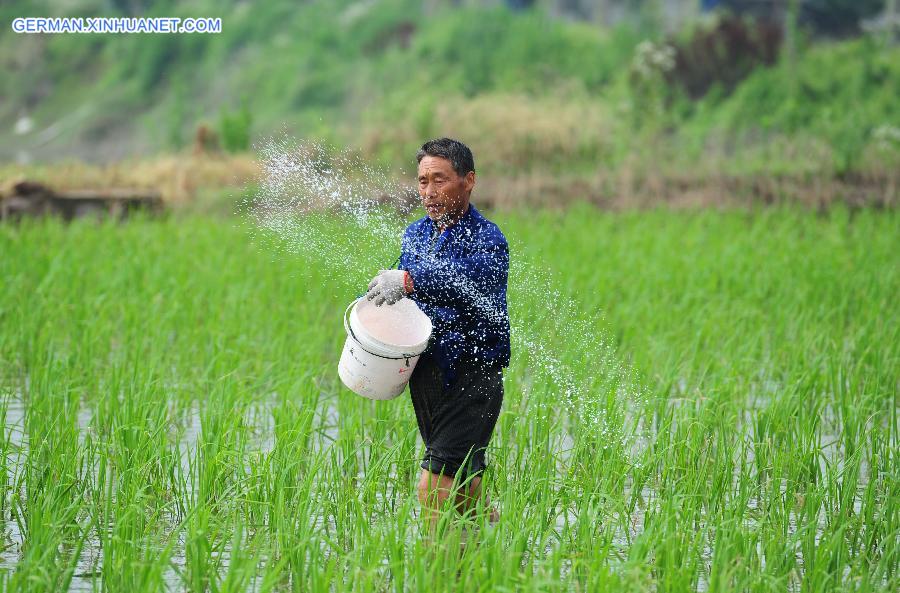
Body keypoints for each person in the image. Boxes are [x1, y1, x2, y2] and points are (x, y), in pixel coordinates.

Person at [366, 137, 510, 531]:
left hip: (472, 376)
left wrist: (410, 279)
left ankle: (437, 574)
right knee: (462, 485)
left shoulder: (489, 240)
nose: (428, 192)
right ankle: (496, 545)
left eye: (440, 180)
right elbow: (408, 299)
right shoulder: (415, 234)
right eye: (422, 181)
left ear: (469, 181)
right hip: (427, 374)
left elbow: (466, 282)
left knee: (434, 489)